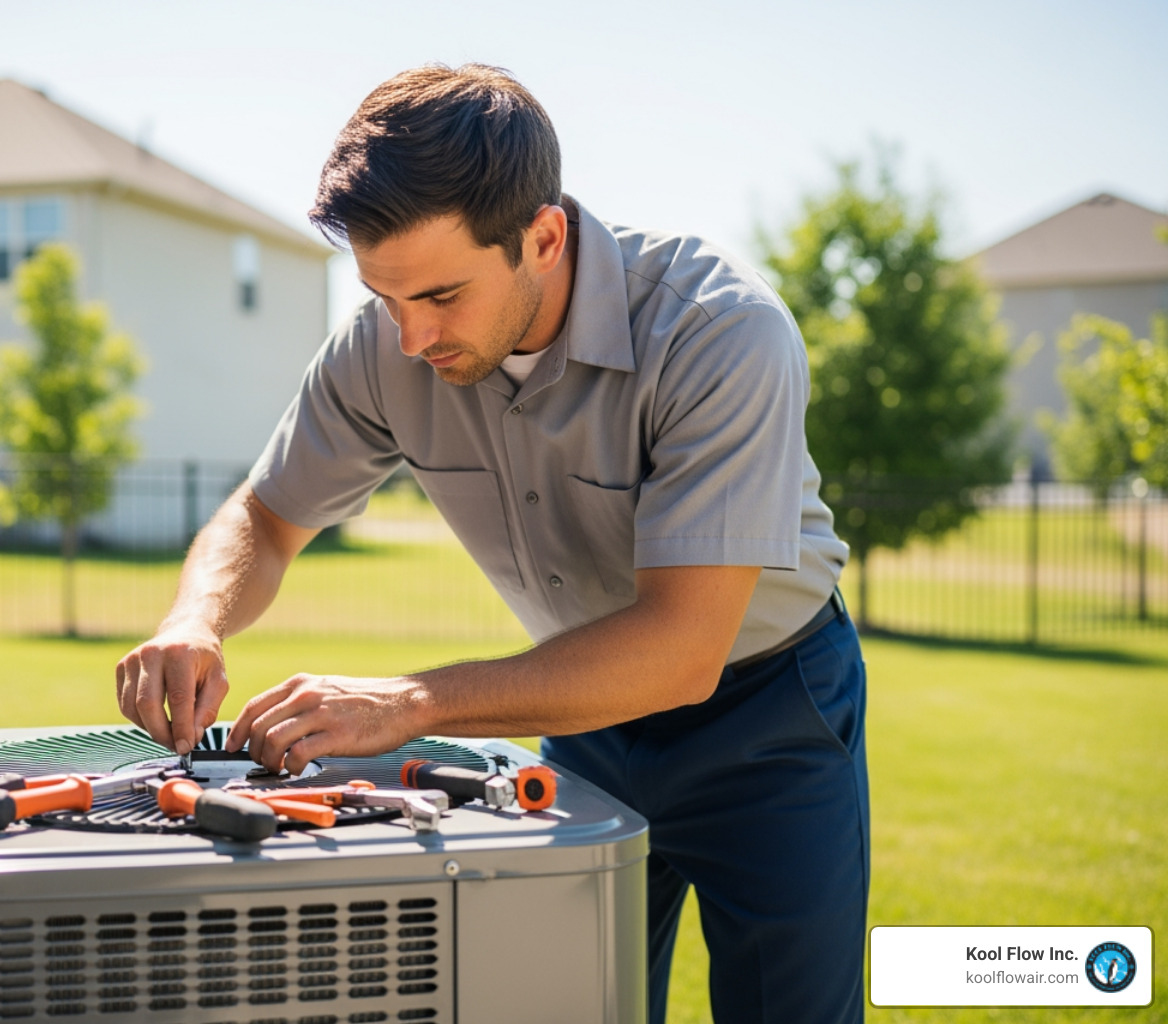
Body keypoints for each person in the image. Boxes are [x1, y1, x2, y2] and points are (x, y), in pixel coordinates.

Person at [116, 63, 868, 1024]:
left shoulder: (720, 332)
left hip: (767, 716)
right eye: (384, 297)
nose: (410, 338)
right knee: (559, 1002)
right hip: (578, 709)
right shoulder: (383, 348)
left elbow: (683, 652)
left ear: (543, 237)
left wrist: (411, 703)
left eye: (438, 295)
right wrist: (195, 619)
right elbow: (264, 518)